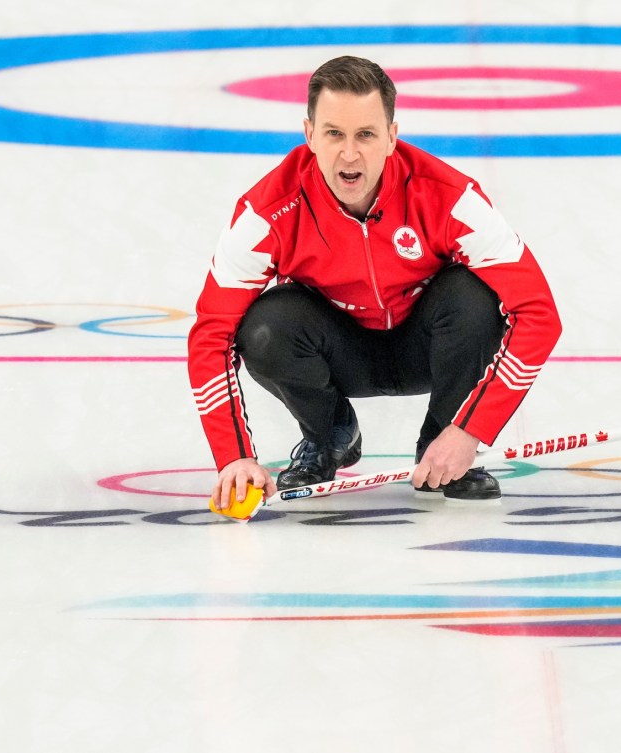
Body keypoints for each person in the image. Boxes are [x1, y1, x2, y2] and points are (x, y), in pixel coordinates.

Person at [187, 55, 561, 512]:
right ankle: (330, 435)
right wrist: (234, 457)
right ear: (309, 135)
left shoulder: (449, 196)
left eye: (365, 134)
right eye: (333, 134)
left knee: (475, 295)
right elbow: (212, 333)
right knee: (264, 326)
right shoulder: (267, 213)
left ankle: (442, 448)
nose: (349, 153)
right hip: (340, 354)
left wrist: (469, 431)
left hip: (429, 347)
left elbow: (539, 315)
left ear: (391, 137)